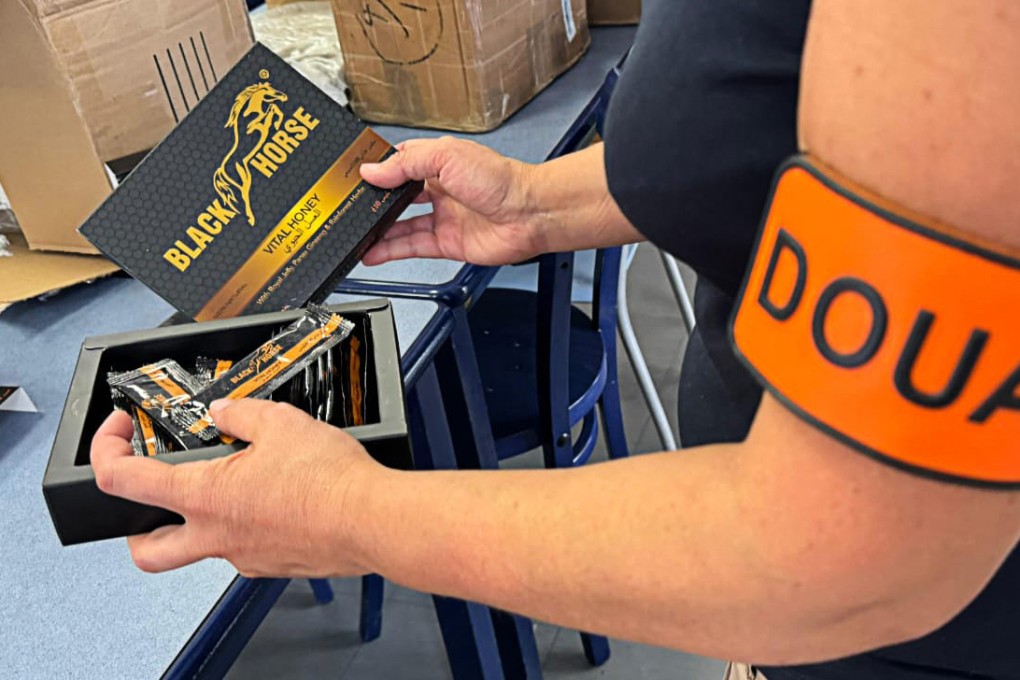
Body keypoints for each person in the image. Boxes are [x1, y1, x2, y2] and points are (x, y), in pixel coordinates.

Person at [91, 1, 1019, 678]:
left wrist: (344, 514)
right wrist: (538, 206)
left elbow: (844, 557)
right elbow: (781, 134)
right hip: (790, 624)